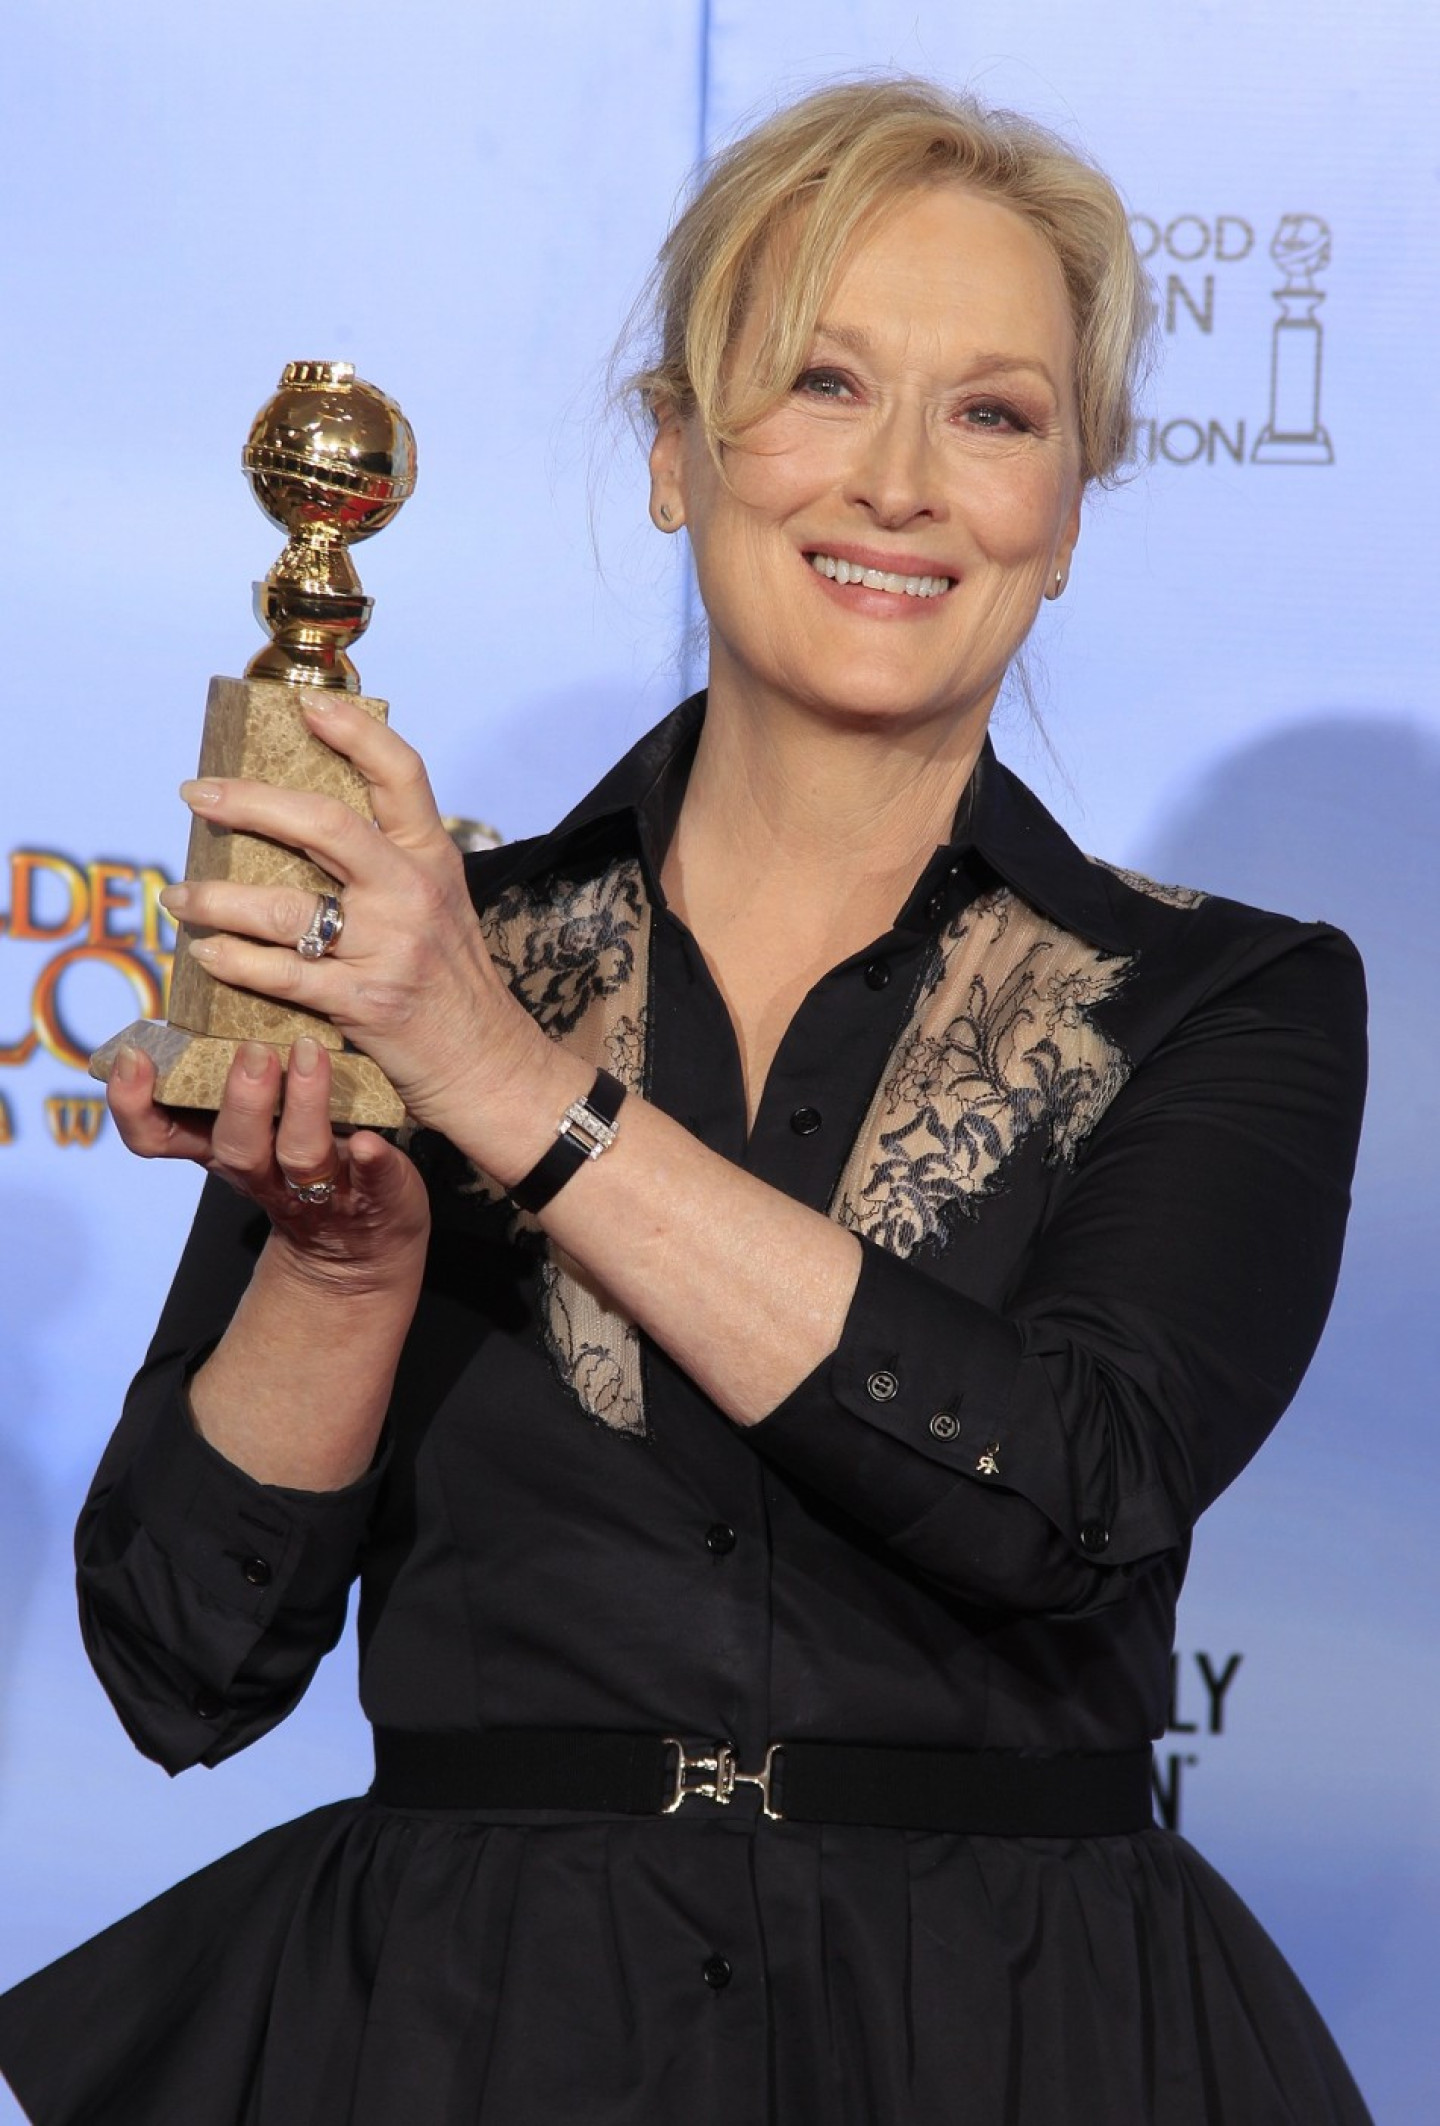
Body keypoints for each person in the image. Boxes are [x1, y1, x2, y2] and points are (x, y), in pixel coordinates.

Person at [0, 75, 1371, 2126]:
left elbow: (1076, 1499)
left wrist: (513, 1090)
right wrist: (350, 1271)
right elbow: (181, 1664)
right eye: (822, 381)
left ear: (1069, 511)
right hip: (471, 2038)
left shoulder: (1224, 998)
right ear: (674, 450)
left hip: (1016, 2036)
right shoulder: (427, 951)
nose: (901, 480)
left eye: (992, 413)